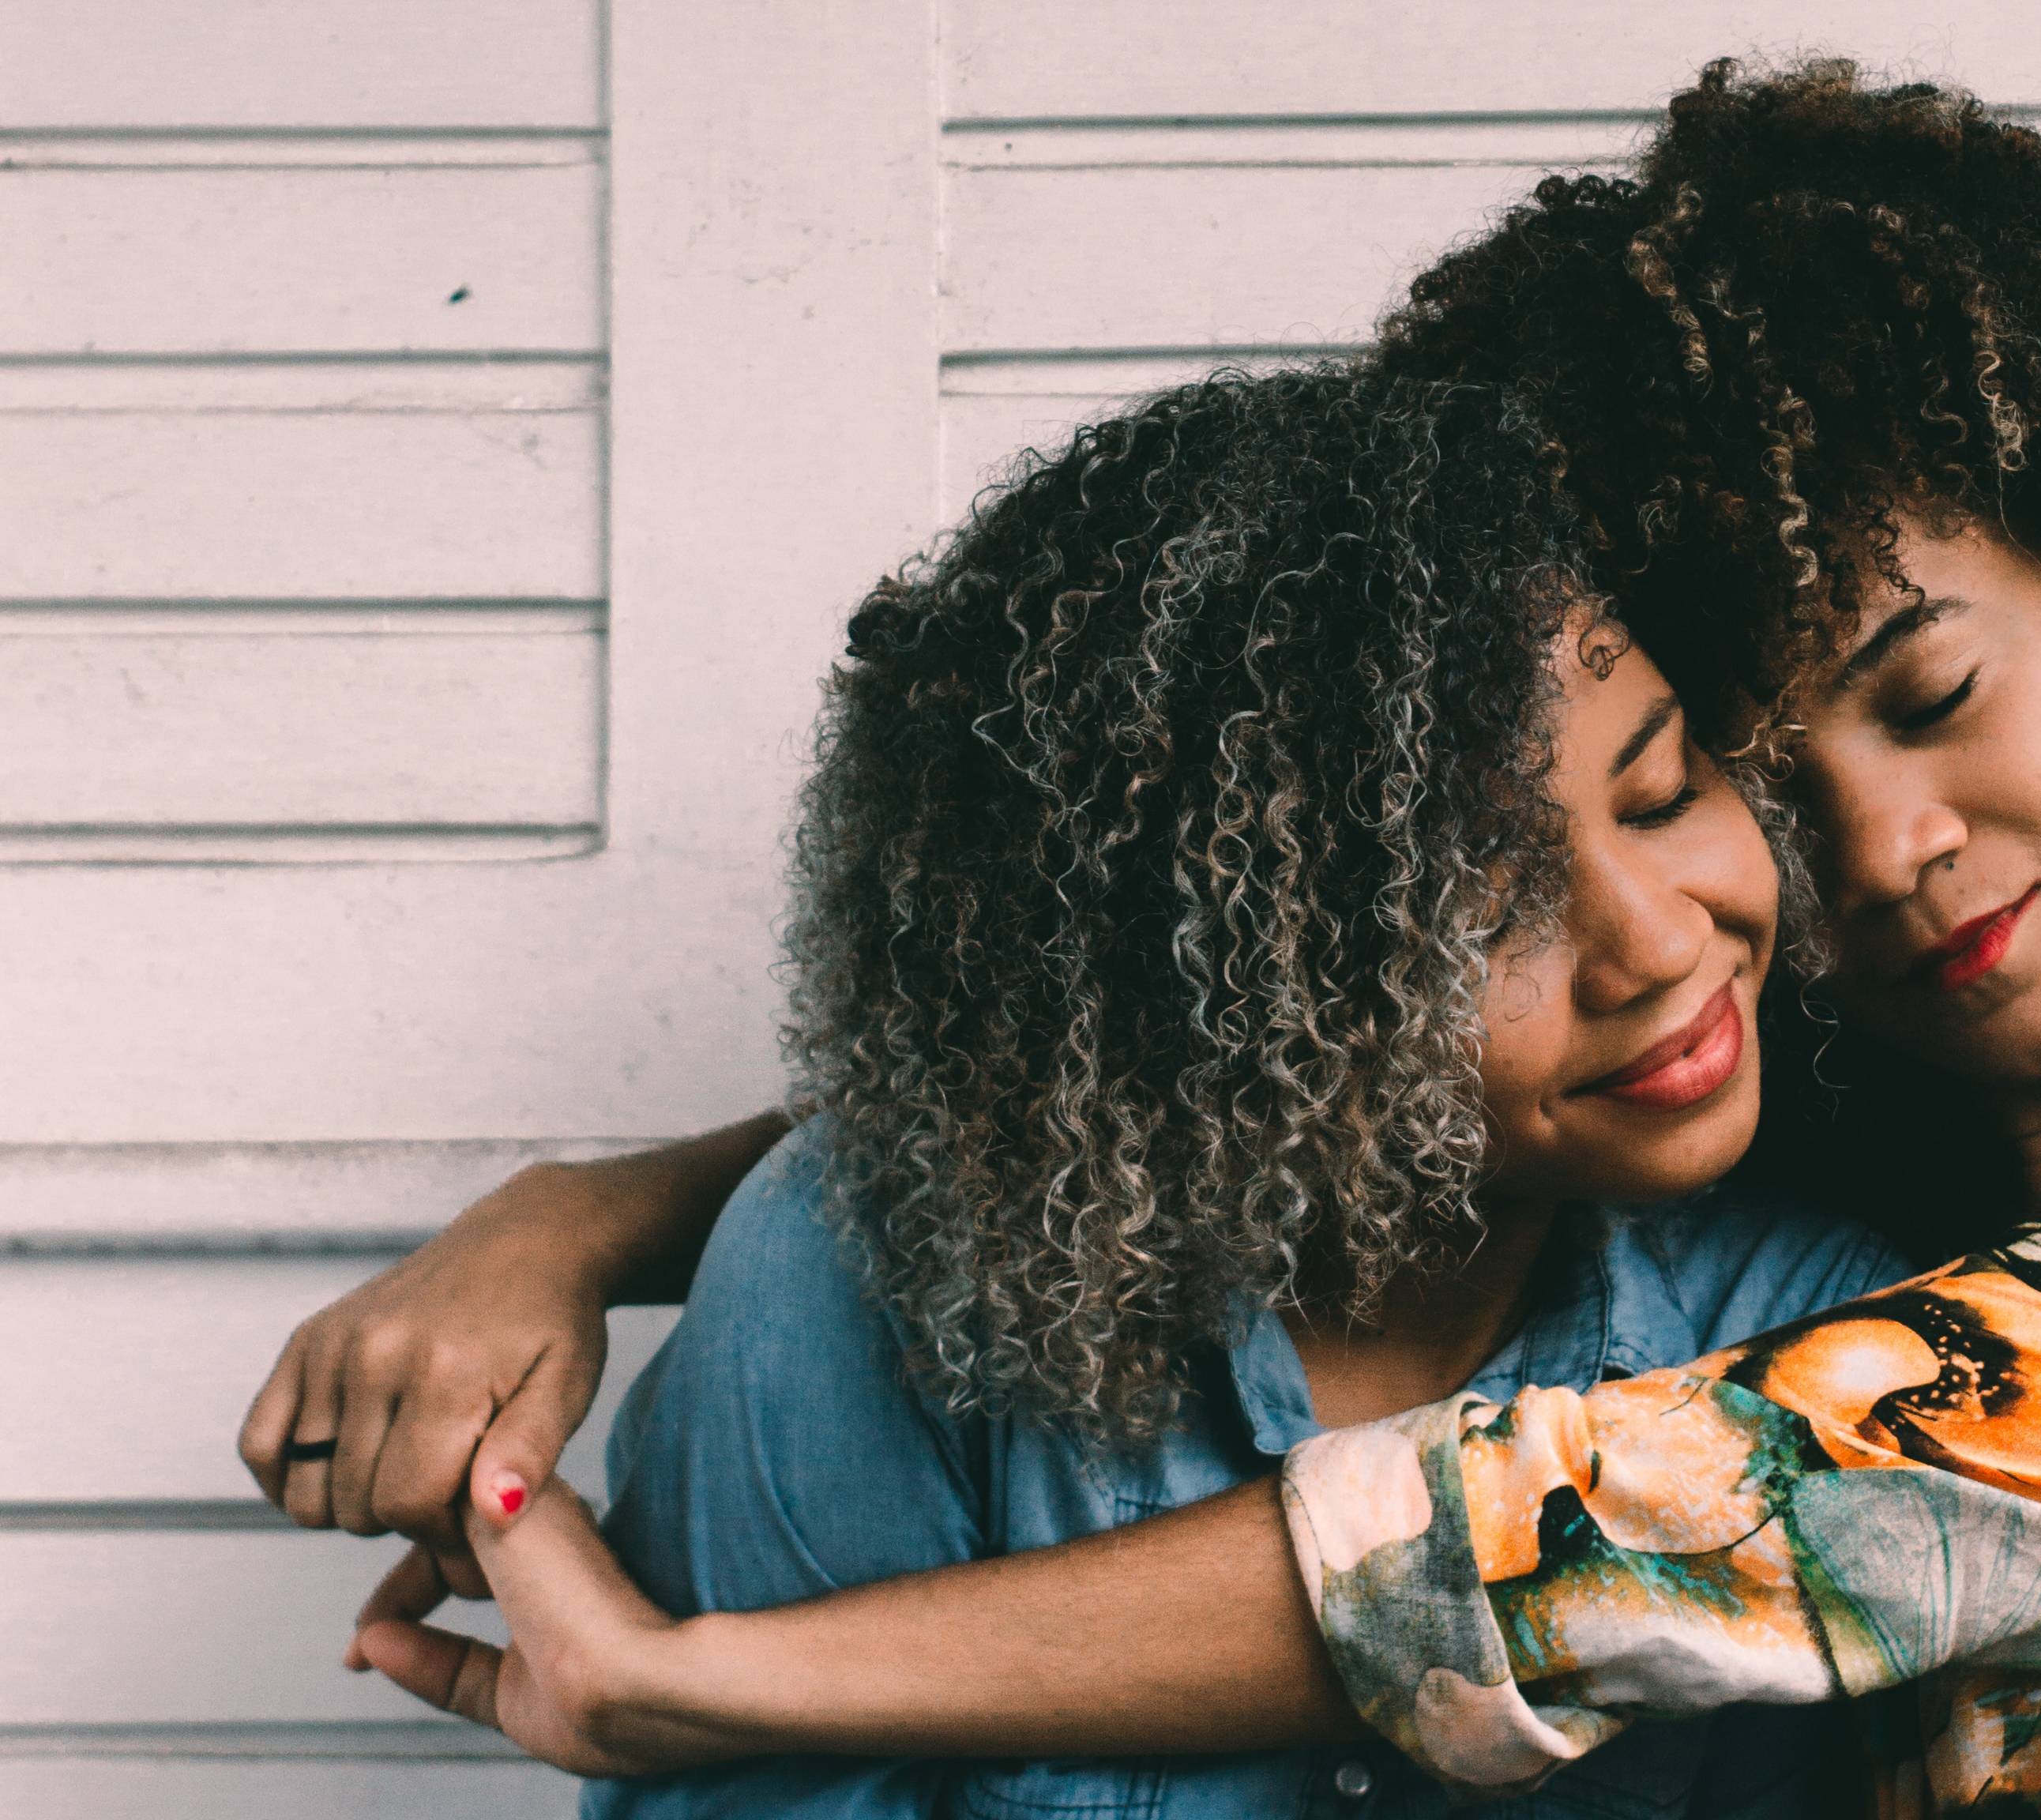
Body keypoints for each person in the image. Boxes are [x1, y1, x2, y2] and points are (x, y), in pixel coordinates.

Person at [251, 61, 2041, 1818]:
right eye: (1757, 774)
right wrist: (581, 1211)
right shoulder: (1941, 1127)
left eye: (1939, 691)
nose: (1881, 853)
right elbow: (1228, 1049)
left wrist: (703, 1687)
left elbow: (1603, 1543)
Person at [261, 366, 1926, 1816]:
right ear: (1218, 992)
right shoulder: (867, 1297)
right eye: (1472, 911)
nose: (1654, 942)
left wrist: (684, 1664)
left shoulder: (1832, 1323)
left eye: (1658, 792)